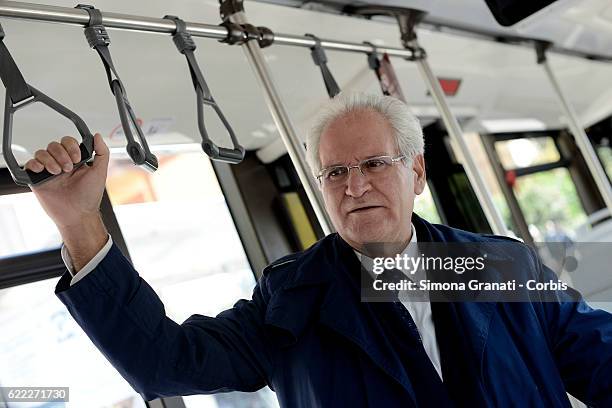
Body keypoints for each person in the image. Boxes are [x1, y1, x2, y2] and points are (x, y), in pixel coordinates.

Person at [27, 93, 612, 407]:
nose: (353, 186)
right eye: (333, 173)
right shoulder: (293, 300)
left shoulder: (493, 267)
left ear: (417, 173)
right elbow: (165, 363)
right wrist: (80, 223)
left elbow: (597, 355)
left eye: (373, 165)